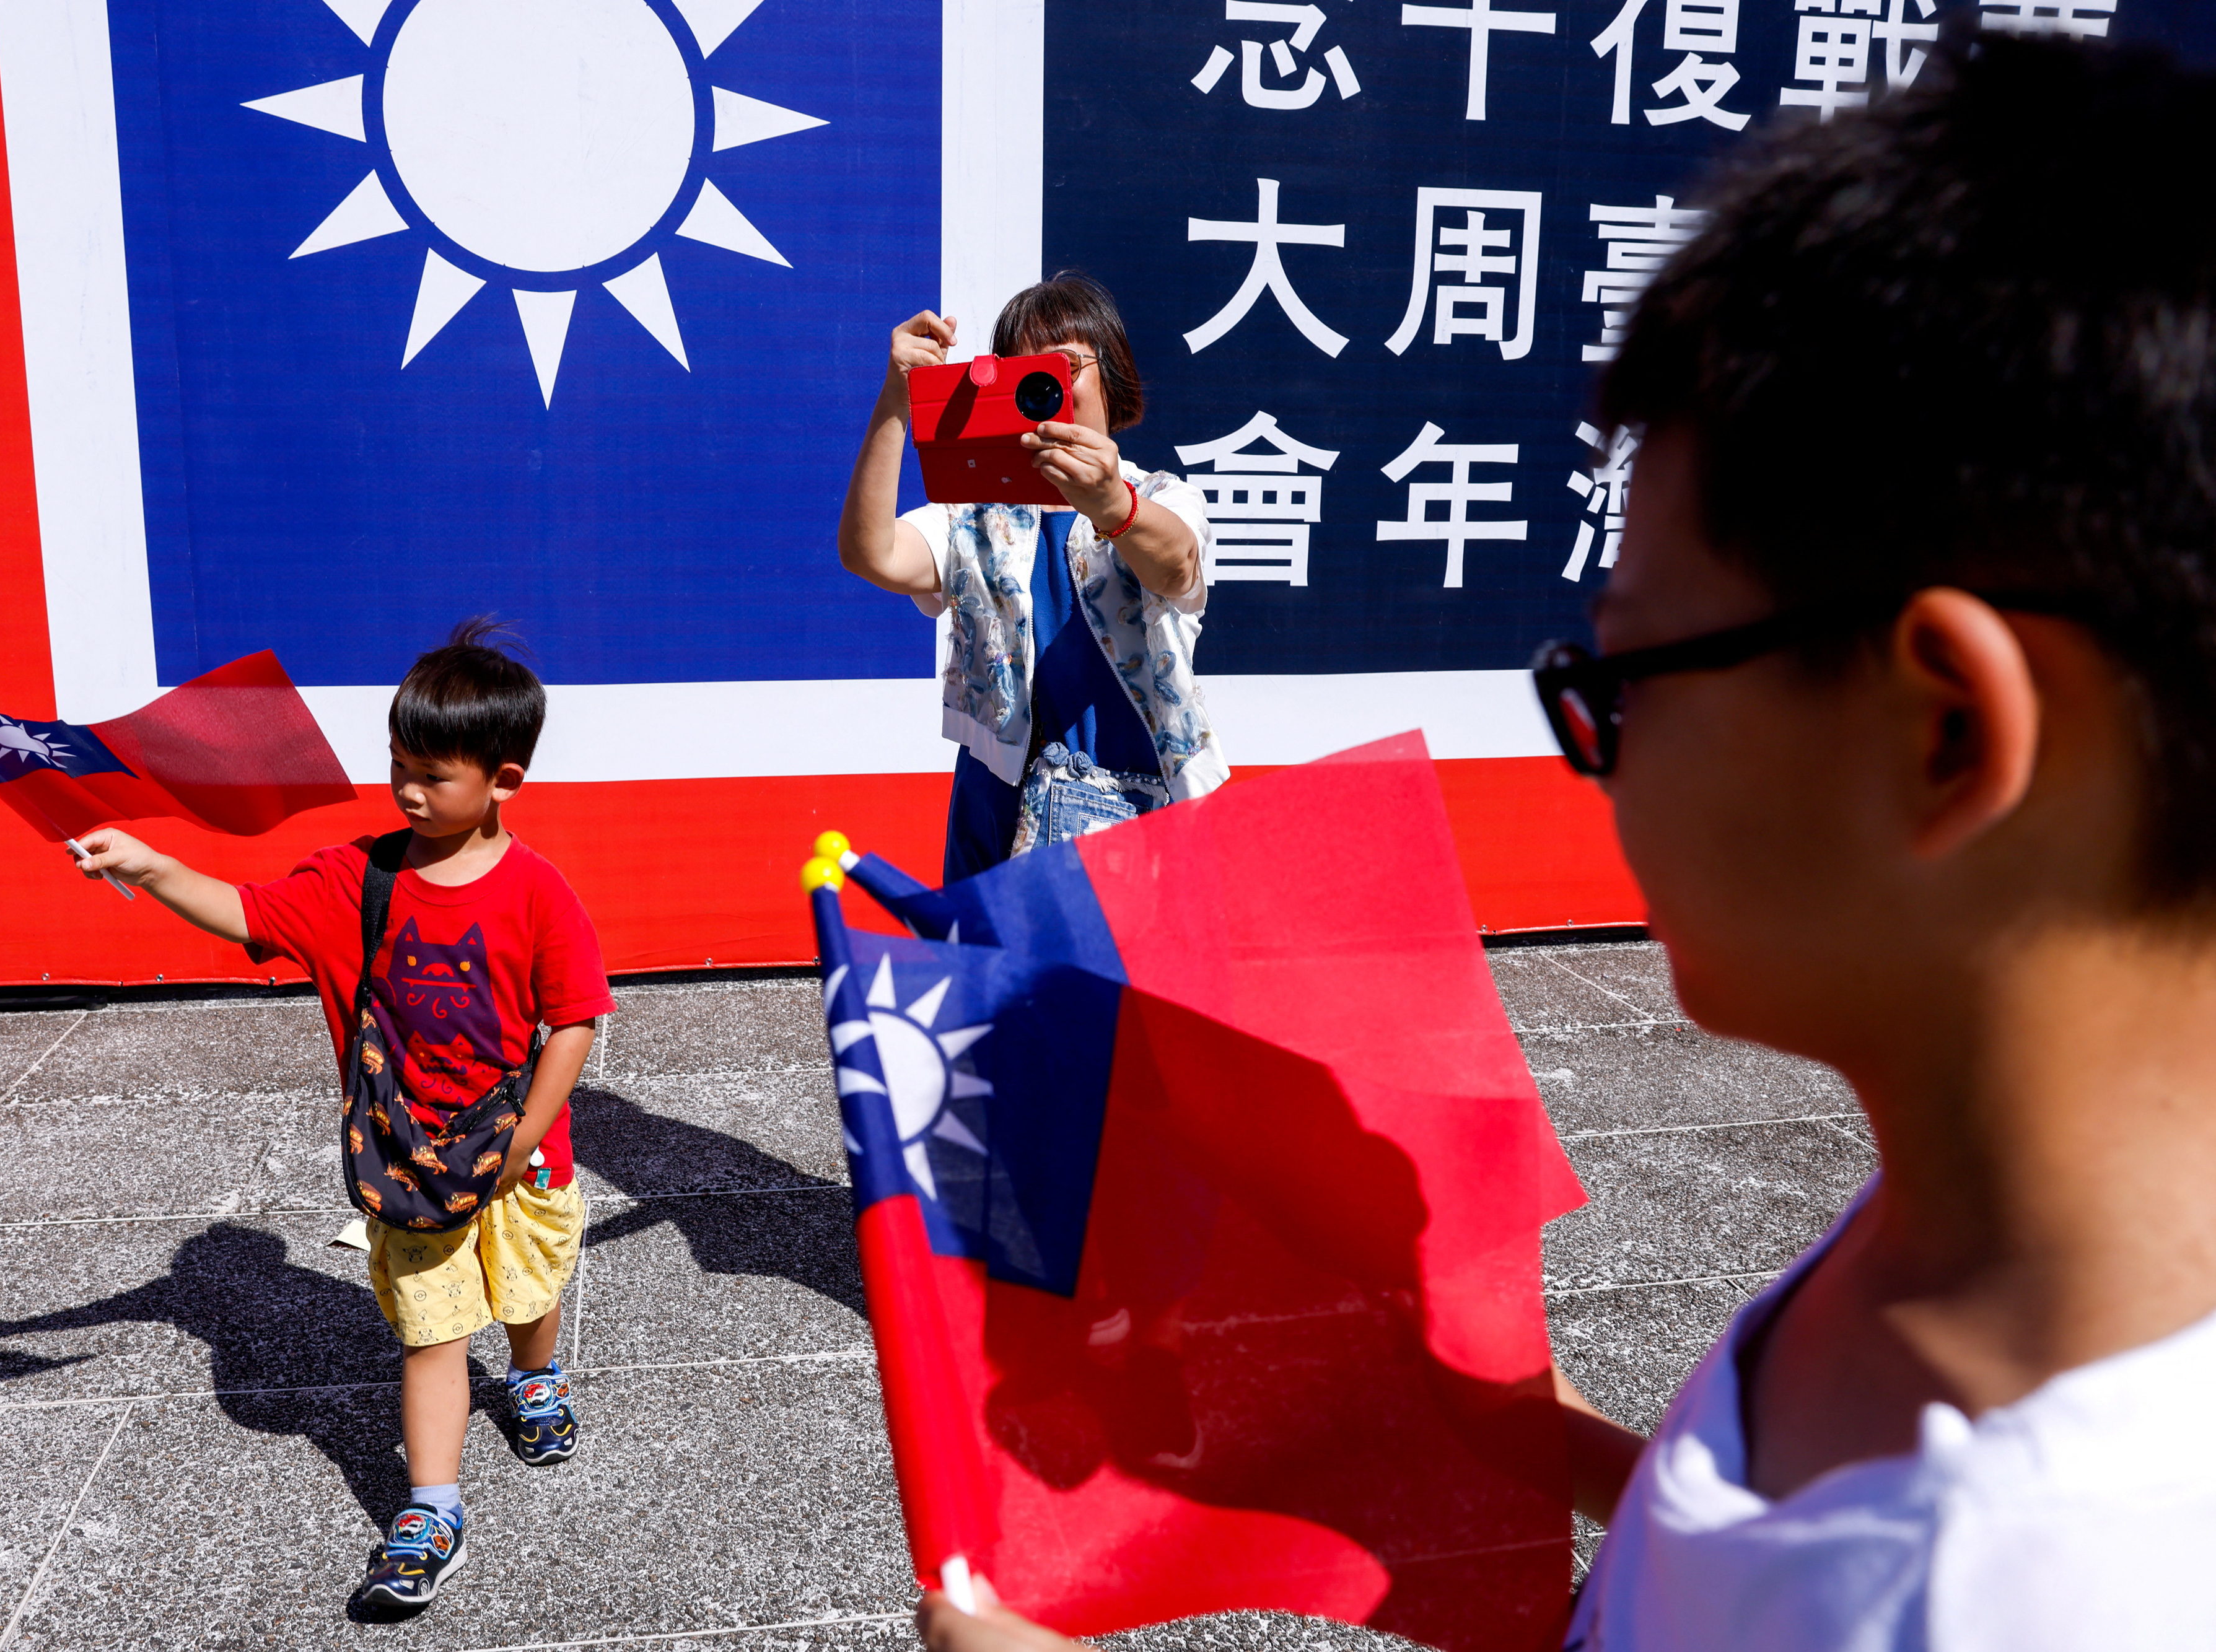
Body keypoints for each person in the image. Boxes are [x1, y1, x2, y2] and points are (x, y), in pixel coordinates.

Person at [921, 35, 2216, 1652]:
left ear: (1944, 732)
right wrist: (1532, 1423)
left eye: (1623, 676)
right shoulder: (1964, 1244)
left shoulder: (2006, 1587)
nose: (1595, 752)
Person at [74, 618, 615, 1614]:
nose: (407, 790)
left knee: (530, 1285)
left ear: (504, 779)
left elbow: (575, 1019)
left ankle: (535, 1376)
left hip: (522, 1153)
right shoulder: (356, 881)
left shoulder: (539, 892)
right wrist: (148, 866)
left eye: (433, 775)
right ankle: (433, 1508)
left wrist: (525, 1138)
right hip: (405, 1159)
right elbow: (245, 911)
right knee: (432, 1329)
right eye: (398, 764)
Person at [837, 273, 1225, 880]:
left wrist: (1112, 504)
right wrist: (896, 401)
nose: (1050, 391)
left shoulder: (1161, 496)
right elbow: (872, 553)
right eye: (1028, 376)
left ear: (1111, 376)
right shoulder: (972, 515)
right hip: (995, 814)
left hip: (1135, 820)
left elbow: (1176, 566)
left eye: (1066, 368)